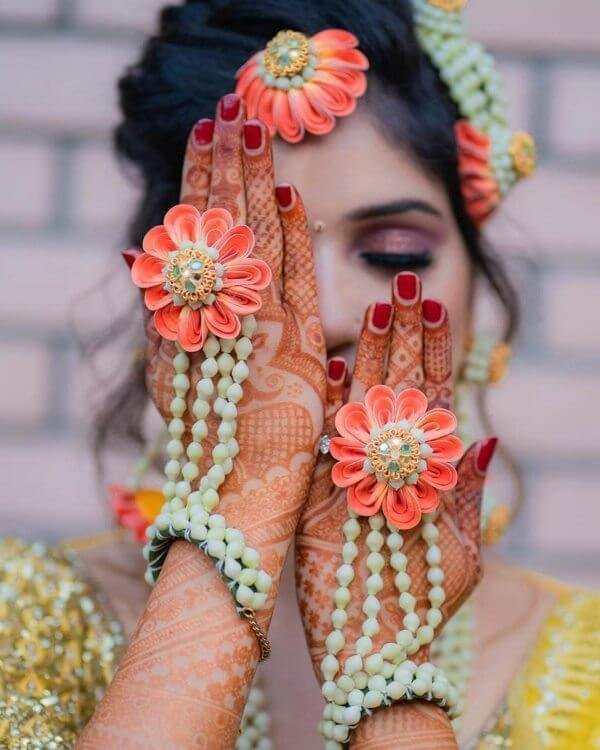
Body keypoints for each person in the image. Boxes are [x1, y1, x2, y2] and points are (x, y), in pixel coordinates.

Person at [2, 2, 597, 749]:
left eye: (395, 255)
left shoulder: (589, 668)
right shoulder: (19, 620)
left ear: (479, 291)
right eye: (265, 262)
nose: (327, 319)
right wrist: (235, 524)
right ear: (167, 288)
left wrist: (387, 674)